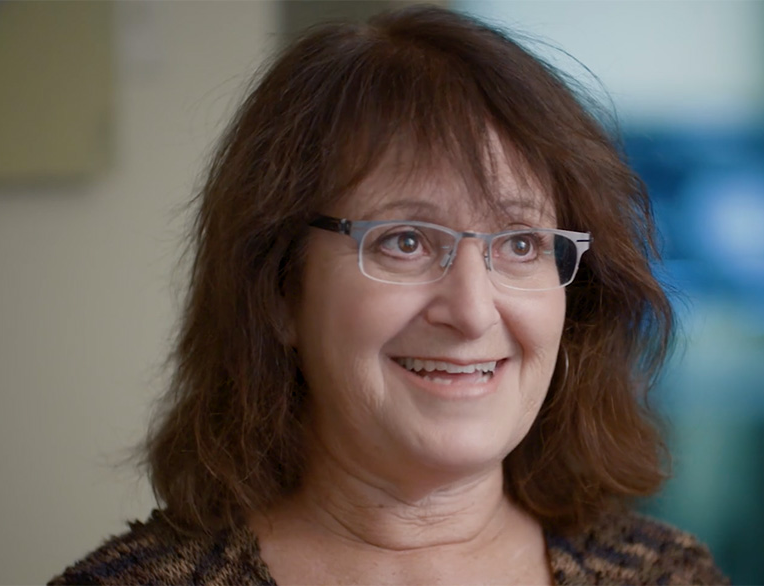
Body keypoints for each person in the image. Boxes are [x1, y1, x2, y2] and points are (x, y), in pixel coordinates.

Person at [51, 5, 727, 585]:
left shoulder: (666, 575)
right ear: (281, 290)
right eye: (405, 241)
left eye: (521, 243)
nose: (471, 312)